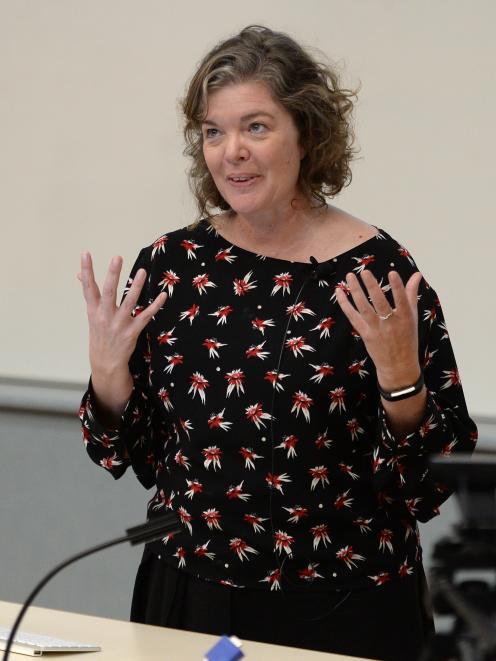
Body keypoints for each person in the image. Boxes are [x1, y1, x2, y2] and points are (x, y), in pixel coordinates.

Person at [78, 25, 477, 661]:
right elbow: (128, 455)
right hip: (189, 598)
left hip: (347, 606)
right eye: (214, 131)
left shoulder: (378, 274)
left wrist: (403, 384)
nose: (230, 150)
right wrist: (107, 381)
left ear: (306, 133)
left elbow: (431, 488)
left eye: (256, 127)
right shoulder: (173, 265)